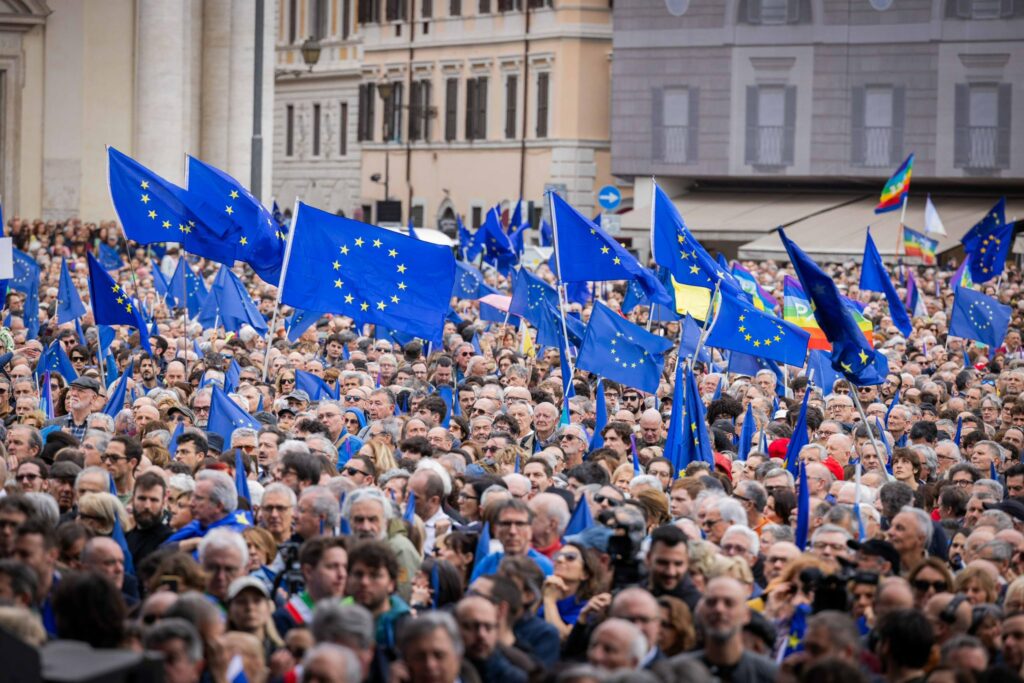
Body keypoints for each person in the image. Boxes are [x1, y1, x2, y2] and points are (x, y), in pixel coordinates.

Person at [657, 577, 777, 682]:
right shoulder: (672, 672)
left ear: (746, 615)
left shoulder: (770, 675)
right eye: (711, 602)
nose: (719, 609)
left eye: (729, 603)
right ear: (700, 612)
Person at [273, 536, 349, 635]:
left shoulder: (353, 612)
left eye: (345, 567)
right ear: (308, 572)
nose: (342, 574)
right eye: (332, 567)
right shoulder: (286, 618)